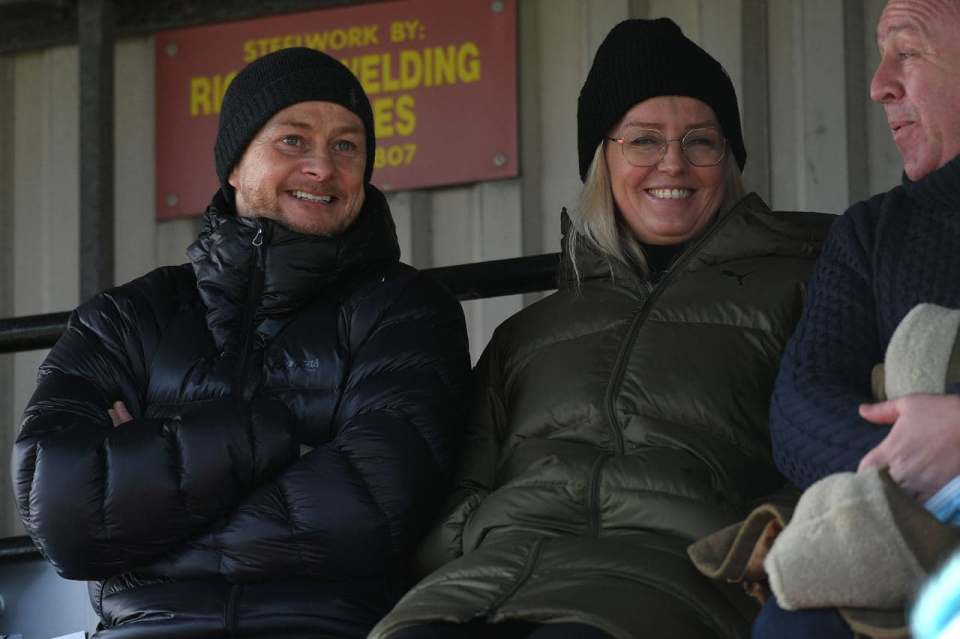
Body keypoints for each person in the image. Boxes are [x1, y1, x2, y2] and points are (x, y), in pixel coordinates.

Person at [367, 18, 833, 639]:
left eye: (701, 140)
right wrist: (479, 534)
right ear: (602, 160)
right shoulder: (529, 331)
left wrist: (759, 538)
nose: (674, 161)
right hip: (487, 578)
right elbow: (459, 480)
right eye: (643, 140)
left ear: (729, 160)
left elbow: (838, 454)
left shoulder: (806, 288)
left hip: (667, 578)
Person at [11, 47, 470, 638]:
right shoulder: (127, 317)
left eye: (347, 146)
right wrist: (278, 439)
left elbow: (371, 511)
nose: (322, 168)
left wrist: (145, 497)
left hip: (323, 626)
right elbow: (63, 510)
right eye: (293, 141)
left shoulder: (405, 309)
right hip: (147, 628)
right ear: (234, 164)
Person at [761, 0, 960, 636]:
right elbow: (799, 411)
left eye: (907, 51)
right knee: (795, 625)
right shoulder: (874, 232)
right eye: (880, 56)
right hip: (905, 528)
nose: (878, 85)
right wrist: (914, 456)